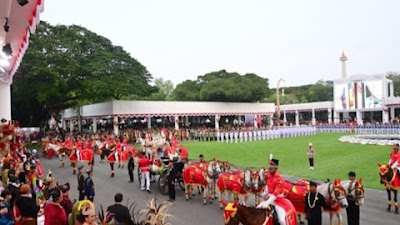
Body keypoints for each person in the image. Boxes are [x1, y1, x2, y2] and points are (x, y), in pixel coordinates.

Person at [256, 158, 286, 225]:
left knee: (282, 221)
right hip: (269, 199)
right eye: (269, 168)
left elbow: (275, 194)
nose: (269, 170)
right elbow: (267, 185)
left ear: (275, 168)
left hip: (278, 201)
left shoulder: (279, 180)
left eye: (271, 168)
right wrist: (265, 194)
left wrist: (267, 202)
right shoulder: (269, 175)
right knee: (256, 209)